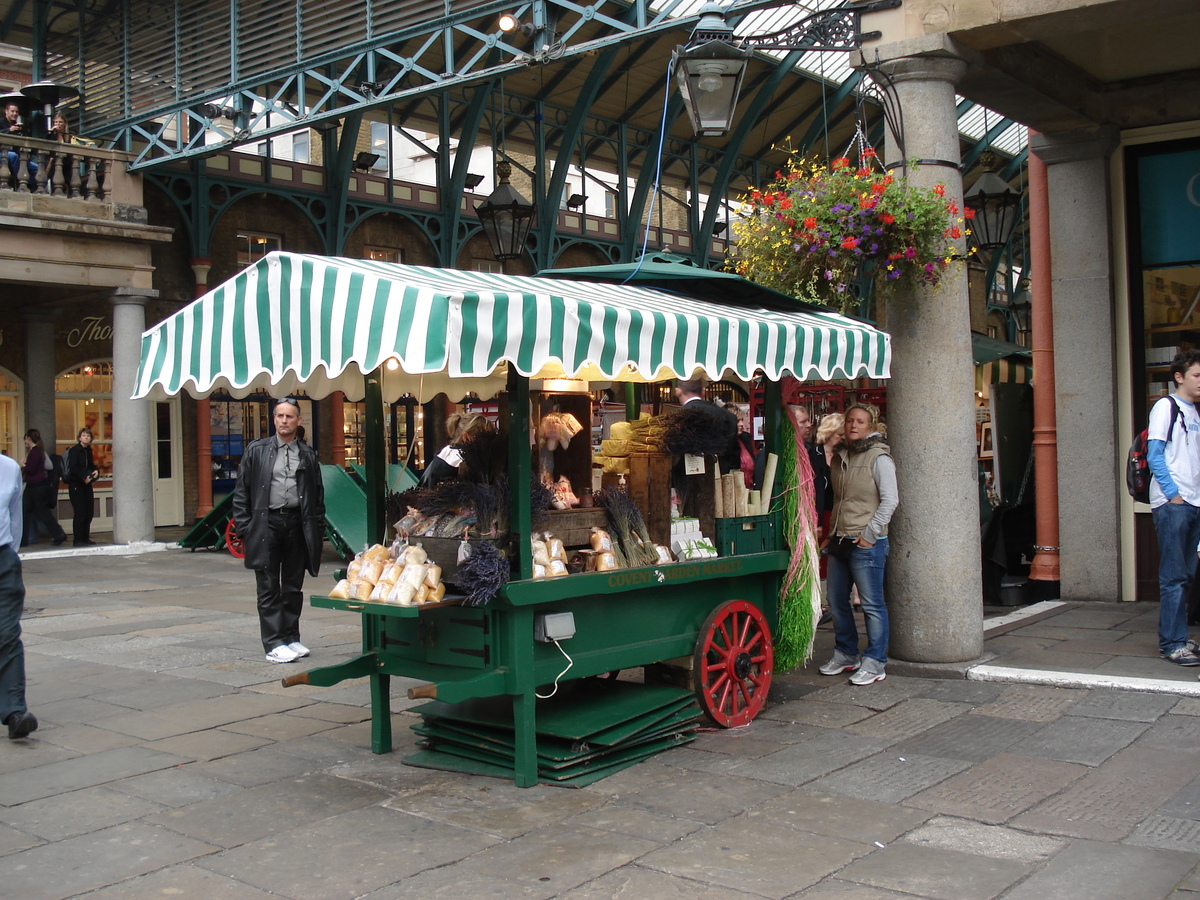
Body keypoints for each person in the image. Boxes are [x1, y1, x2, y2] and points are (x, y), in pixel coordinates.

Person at [232, 398, 325, 664]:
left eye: (289, 416)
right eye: (279, 416)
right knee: (268, 586)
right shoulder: (257, 450)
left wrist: (316, 529)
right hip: (266, 524)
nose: (284, 421)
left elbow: (317, 496)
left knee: (293, 586)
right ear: (274, 419)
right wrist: (245, 528)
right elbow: (241, 492)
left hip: (297, 523)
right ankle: (273, 643)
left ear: (298, 421)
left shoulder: (307, 454)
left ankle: (291, 637)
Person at [818, 403, 897, 685]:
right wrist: (830, 533)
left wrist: (870, 534)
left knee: (872, 604)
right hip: (840, 539)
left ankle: (875, 661)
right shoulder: (839, 457)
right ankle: (846, 653)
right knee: (837, 600)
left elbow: (890, 500)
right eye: (850, 420)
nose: (854, 426)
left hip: (866, 542)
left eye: (860, 422)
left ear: (872, 426)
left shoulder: (879, 458)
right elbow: (840, 501)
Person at [1147, 350, 1200, 665]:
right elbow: (1156, 454)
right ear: (1179, 377)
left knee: (1186, 575)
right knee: (1173, 575)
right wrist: (1174, 495)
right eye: (1196, 375)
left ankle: (1178, 637)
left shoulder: (1193, 412)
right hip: (1174, 504)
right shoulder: (1166, 407)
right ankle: (1171, 644)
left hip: (1192, 502)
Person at [0, 453, 36, 739]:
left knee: (7, 633)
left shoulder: (9, 468)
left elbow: (15, 517)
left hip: (3, 559)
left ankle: (14, 711)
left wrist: (11, 556)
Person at [673, 377, 740, 474]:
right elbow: (734, 456)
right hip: (720, 481)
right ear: (703, 391)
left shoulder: (673, 418)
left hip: (684, 483)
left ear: (678, 391)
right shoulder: (728, 416)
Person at [19, 430, 67, 547]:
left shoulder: (35, 453)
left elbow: (32, 469)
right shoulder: (38, 452)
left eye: (26, 439)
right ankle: (23, 539)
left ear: (29, 439)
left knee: (42, 512)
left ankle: (58, 534)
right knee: (26, 512)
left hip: (36, 487)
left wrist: (23, 464)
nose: (25, 441)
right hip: (34, 486)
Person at [63, 427, 99, 546]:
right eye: (84, 435)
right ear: (79, 438)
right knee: (80, 513)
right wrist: (84, 476)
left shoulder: (88, 451)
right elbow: (74, 468)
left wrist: (95, 471)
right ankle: (78, 539)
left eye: (88, 436)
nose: (86, 437)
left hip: (86, 484)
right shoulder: (75, 451)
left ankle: (85, 537)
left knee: (89, 512)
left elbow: (91, 465)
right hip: (76, 484)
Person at [3, 101, 37, 183]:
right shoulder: (1, 122)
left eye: (17, 112)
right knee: (14, 156)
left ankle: (31, 188)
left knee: (36, 169)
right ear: (6, 111)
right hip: (3, 153)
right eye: (12, 111)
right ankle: (20, 182)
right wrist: (9, 130)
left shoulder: (18, 126)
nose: (15, 114)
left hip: (19, 155)